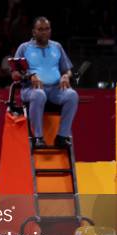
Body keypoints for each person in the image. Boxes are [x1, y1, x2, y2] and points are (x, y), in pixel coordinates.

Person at [13, 17, 78, 148]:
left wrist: (65, 76)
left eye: (47, 29)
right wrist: (29, 76)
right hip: (32, 89)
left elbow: (67, 70)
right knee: (39, 95)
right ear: (34, 32)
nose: (44, 32)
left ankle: (62, 136)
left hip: (55, 89)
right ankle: (38, 137)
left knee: (72, 95)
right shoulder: (24, 48)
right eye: (40, 29)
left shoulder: (57, 47)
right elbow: (14, 73)